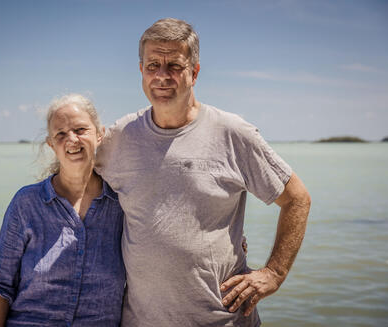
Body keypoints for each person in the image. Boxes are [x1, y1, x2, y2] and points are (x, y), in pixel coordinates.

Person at [95, 18, 311, 326]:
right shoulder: (120, 136)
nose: (162, 76)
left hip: (222, 319)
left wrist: (274, 273)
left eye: (174, 66)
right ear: (140, 70)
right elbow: (78, 189)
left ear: (194, 72)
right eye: (153, 65)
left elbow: (297, 199)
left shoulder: (233, 133)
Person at [0, 94, 125, 327]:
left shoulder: (122, 204)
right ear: (51, 144)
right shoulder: (26, 203)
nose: (72, 139)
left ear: (99, 135)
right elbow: (1, 287)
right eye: (61, 134)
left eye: (80, 129)